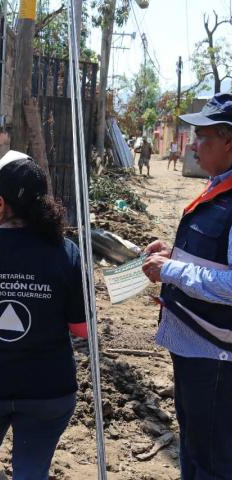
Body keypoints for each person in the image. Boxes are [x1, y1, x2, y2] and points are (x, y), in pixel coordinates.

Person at [0, 151, 87, 479]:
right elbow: (81, 329)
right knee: (31, 468)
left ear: (0, 204)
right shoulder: (66, 252)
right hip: (49, 389)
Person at [142, 92, 232, 480]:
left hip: (215, 358)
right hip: (196, 349)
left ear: (229, 142)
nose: (193, 146)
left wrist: (172, 272)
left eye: (203, 137)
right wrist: (173, 255)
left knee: (212, 460)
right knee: (195, 450)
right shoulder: (218, 188)